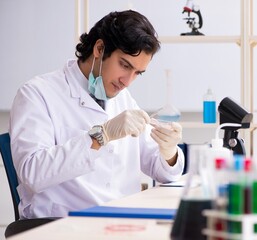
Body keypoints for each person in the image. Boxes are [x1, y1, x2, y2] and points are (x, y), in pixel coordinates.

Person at [9, 10, 184, 219]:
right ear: (99, 48)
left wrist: (168, 151)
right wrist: (101, 136)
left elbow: (163, 172)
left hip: (121, 223)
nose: (127, 81)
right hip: (63, 225)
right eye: (125, 65)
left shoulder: (123, 98)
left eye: (137, 73)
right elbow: (33, 173)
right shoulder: (37, 94)